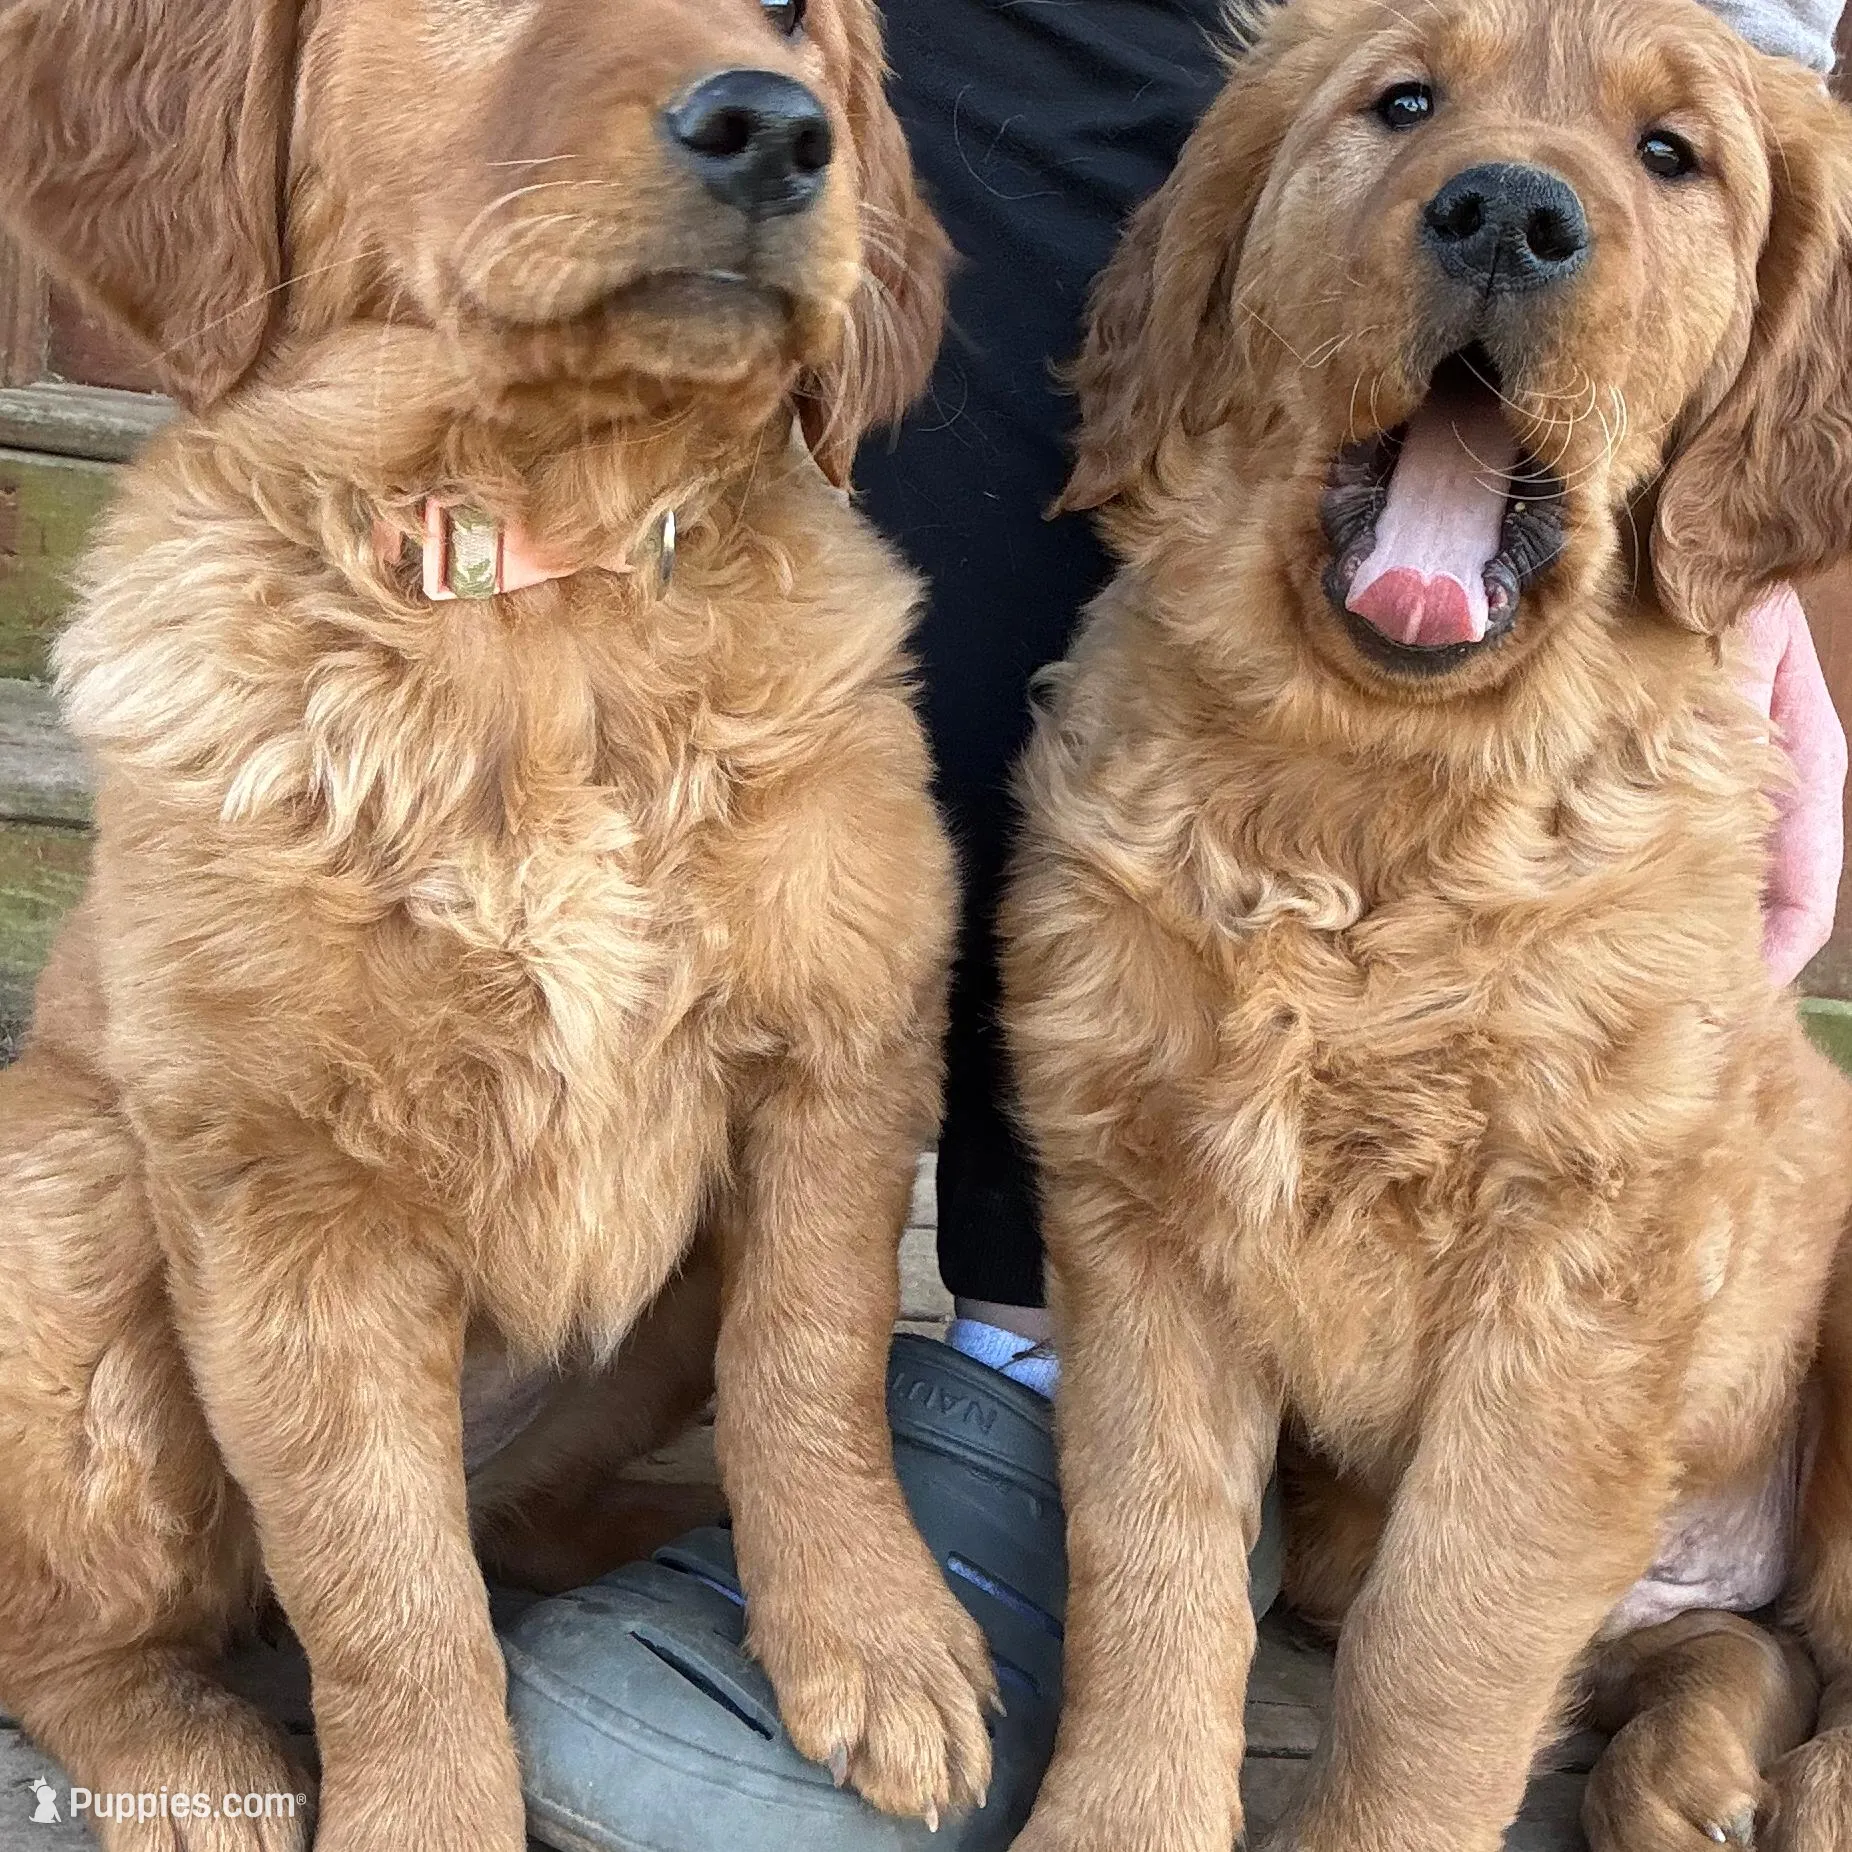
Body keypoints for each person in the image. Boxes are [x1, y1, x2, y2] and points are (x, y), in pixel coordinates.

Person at [503, 5, 1850, 1850]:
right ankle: (1119, 1649)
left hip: (1760, 1422)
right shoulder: (1121, 807)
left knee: (1617, 1292)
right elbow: (1157, 1271)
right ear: (1210, 265)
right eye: (1401, 107)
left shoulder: (1655, 869)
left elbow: (1606, 1363)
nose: (1514, 196)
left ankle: (1674, 1695)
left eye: (1670, 157)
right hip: (1370, 1505)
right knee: (1148, 1265)